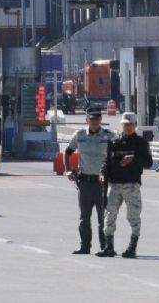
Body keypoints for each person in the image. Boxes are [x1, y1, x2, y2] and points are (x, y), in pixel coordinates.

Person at [97, 112, 152, 259]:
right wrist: (102, 174)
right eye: (125, 124)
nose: (127, 127)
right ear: (121, 125)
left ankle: (132, 248)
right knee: (109, 216)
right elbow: (106, 162)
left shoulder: (140, 143)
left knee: (133, 216)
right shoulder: (114, 142)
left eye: (130, 124)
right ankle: (109, 247)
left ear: (135, 125)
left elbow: (149, 163)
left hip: (131, 184)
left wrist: (133, 158)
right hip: (114, 185)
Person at [64, 106, 115, 255]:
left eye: (97, 119)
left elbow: (117, 154)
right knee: (84, 217)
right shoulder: (79, 135)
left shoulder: (109, 135)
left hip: (102, 183)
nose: (95, 121)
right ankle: (84, 246)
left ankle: (105, 247)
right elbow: (67, 152)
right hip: (85, 182)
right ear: (86, 120)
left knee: (103, 217)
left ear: (101, 119)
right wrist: (68, 170)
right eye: (92, 119)